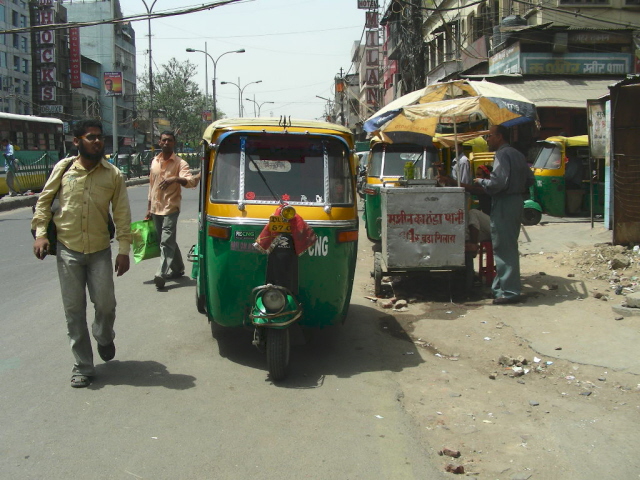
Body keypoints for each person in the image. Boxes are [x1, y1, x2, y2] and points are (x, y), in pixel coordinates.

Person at [31, 119, 132, 388]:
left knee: (106, 305)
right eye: (91, 137)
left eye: (100, 137)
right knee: (74, 311)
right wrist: (41, 233)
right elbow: (43, 202)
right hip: (68, 251)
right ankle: (83, 367)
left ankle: (103, 335)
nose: (97, 141)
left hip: (100, 251)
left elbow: (122, 215)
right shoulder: (63, 170)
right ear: (77, 141)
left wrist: (124, 250)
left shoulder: (113, 174)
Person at [474, 125, 534, 305]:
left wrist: (481, 181)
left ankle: (509, 292)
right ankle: (500, 289)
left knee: (504, 248)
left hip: (505, 201)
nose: (488, 140)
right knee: (506, 245)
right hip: (515, 202)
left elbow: (498, 182)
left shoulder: (502, 154)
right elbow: (530, 179)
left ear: (499, 137)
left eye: (489, 136)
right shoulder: (517, 154)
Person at [146, 131, 200, 290]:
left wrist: (175, 179)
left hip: (170, 207)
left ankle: (161, 273)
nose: (166, 143)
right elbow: (151, 185)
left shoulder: (180, 163)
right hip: (156, 208)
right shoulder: (154, 161)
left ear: (174, 143)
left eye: (170, 140)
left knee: (166, 240)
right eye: (164, 140)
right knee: (167, 240)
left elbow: (190, 182)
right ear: (159, 142)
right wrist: (148, 208)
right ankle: (178, 269)